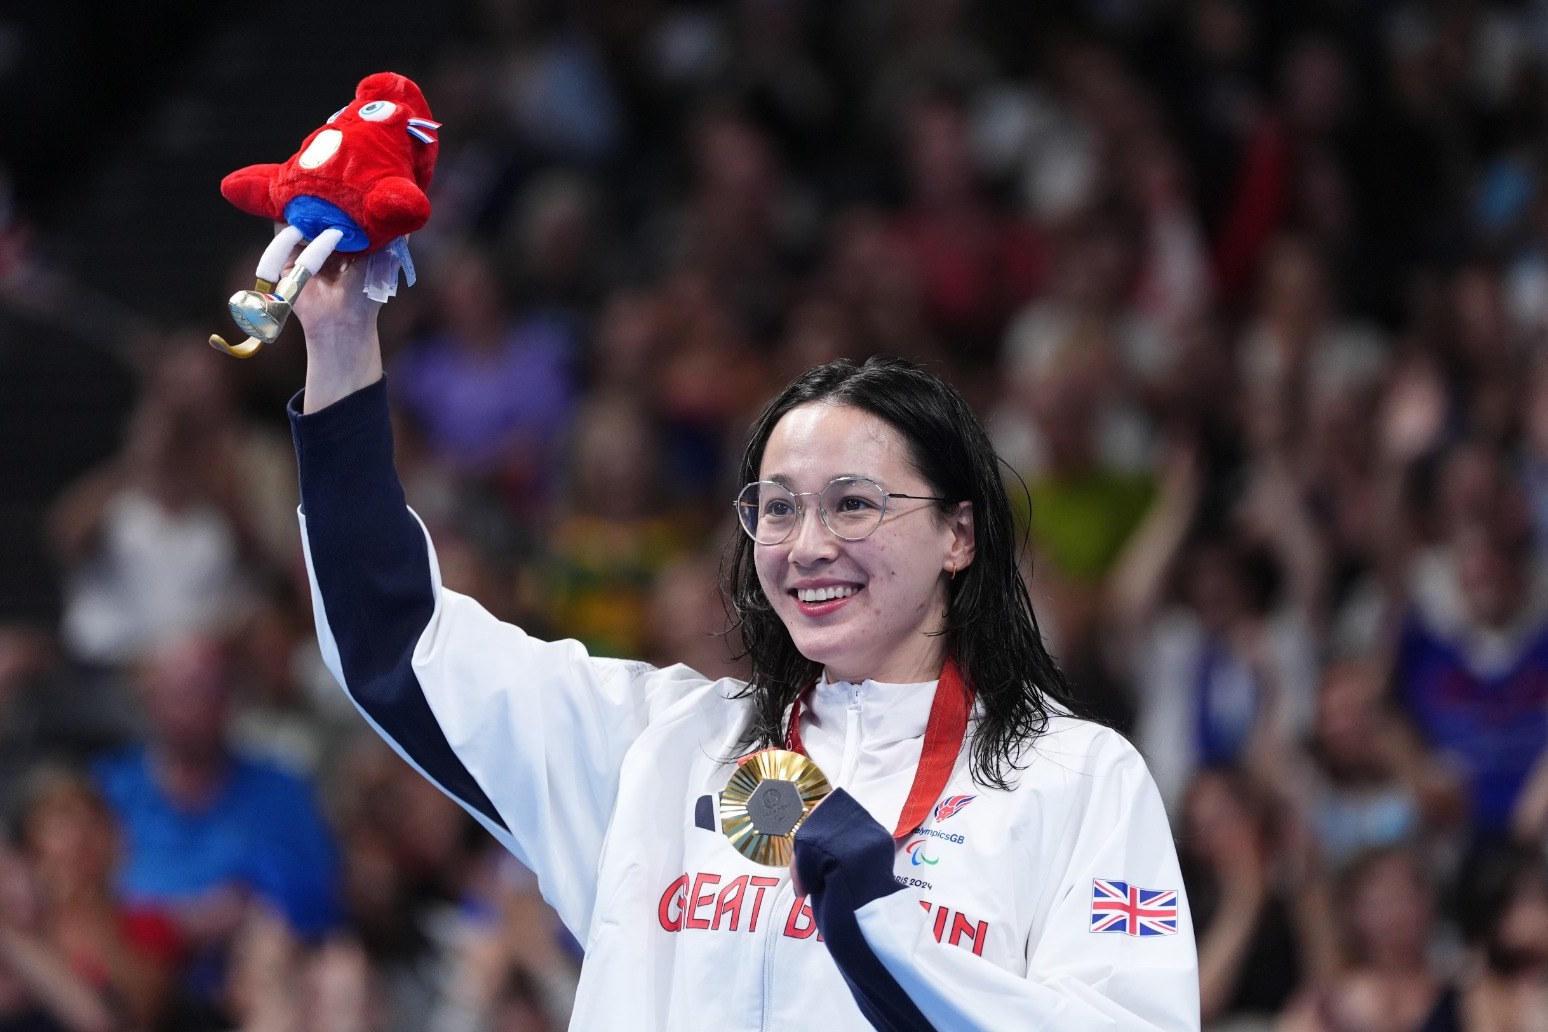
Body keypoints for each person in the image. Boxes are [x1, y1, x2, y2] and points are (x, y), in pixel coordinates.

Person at [286, 252, 1199, 1030]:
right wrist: (339, 339)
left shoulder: (1076, 780)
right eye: (778, 508)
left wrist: (887, 932)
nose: (807, 546)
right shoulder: (664, 748)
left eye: (854, 503)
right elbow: (397, 640)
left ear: (958, 533)